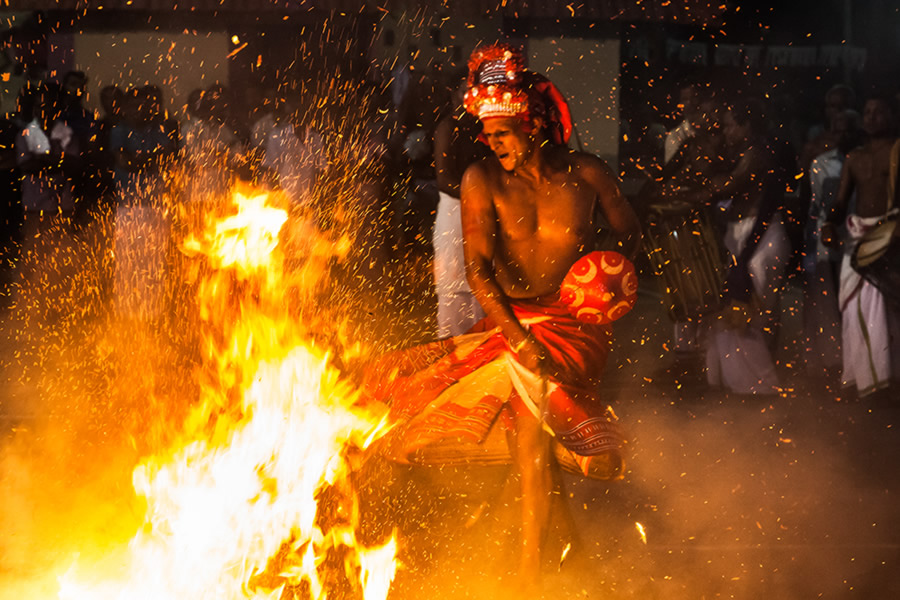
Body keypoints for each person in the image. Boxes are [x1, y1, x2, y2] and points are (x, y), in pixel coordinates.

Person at [367, 43, 641, 590]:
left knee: (535, 451)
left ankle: (539, 572)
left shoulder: (587, 173)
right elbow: (479, 273)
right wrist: (517, 337)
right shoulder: (481, 180)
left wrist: (604, 275)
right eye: (487, 136)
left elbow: (632, 234)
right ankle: (541, 572)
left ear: (533, 123)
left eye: (503, 134)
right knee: (530, 452)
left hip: (574, 328)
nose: (493, 144)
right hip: (510, 325)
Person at [673, 98, 791, 394]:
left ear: (746, 125)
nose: (724, 131)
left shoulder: (759, 154)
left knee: (747, 314)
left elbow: (725, 187)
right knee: (732, 310)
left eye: (729, 125)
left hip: (761, 240)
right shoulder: (745, 153)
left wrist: (687, 189)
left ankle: (760, 387)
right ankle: (738, 384)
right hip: (747, 236)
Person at [823, 95, 900, 397]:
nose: (871, 117)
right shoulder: (855, 157)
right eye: (867, 112)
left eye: (878, 112)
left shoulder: (897, 151)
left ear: (891, 116)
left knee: (884, 311)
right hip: (859, 239)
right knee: (854, 310)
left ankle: (887, 379)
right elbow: (841, 203)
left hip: (889, 236)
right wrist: (830, 224)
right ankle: (862, 377)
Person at [803, 109, 862, 378]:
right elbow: (817, 206)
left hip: (859, 239)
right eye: (838, 129)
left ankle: (858, 364)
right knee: (828, 304)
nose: (843, 135)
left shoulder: (865, 160)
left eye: (849, 129)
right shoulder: (821, 164)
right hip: (829, 241)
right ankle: (834, 363)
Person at [432, 73, 489, 338]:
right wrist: (479, 197)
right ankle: (452, 360)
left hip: (483, 214)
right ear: (455, 95)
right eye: (466, 91)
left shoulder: (486, 129)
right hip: (454, 215)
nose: (471, 97)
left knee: (483, 283)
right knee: (454, 285)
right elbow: (444, 179)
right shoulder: (448, 126)